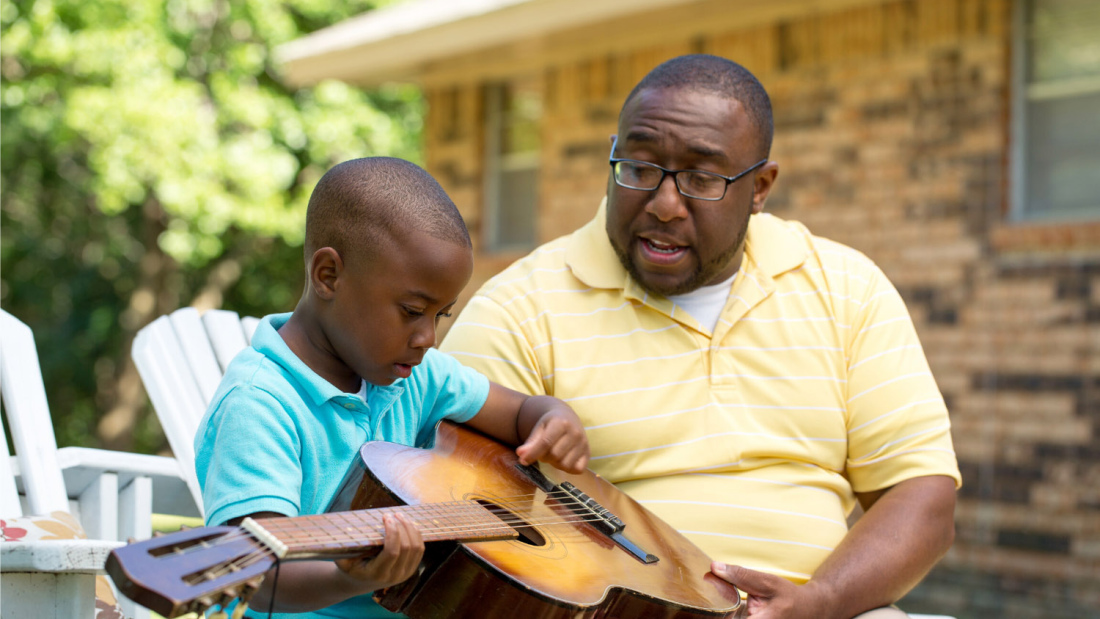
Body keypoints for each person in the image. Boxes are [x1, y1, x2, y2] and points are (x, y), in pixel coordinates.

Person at [440, 55, 961, 619]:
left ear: (760, 187)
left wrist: (821, 601)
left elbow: (921, 496)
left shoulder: (846, 288)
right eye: (639, 168)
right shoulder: (521, 306)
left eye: (701, 179)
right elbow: (452, 500)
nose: (664, 204)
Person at [194, 157, 589, 619]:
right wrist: (345, 577)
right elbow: (257, 575)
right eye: (411, 310)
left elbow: (519, 413)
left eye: (440, 314)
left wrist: (551, 417)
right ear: (329, 276)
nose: (428, 338)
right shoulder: (260, 404)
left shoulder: (419, 375)